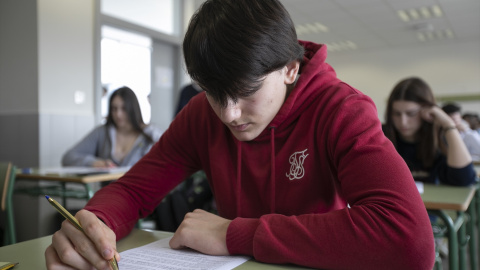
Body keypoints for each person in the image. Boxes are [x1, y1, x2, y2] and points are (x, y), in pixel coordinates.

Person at [45, 1, 435, 269]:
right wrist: (94, 222)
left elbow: (411, 241)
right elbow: (133, 189)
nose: (229, 114)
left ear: (290, 69)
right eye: (214, 93)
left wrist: (236, 234)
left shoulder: (340, 110)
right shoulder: (201, 115)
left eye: (247, 91)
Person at [383, 77, 477, 186]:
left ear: (426, 111)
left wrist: (448, 124)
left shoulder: (440, 137)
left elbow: (463, 180)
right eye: (396, 114)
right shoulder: (381, 136)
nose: (403, 122)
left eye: (411, 114)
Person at [62, 86, 162, 168]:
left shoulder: (152, 134)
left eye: (124, 108)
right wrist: (93, 162)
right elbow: (68, 157)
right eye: (114, 109)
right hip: (109, 191)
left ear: (133, 109)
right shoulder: (102, 132)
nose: (118, 114)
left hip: (142, 191)